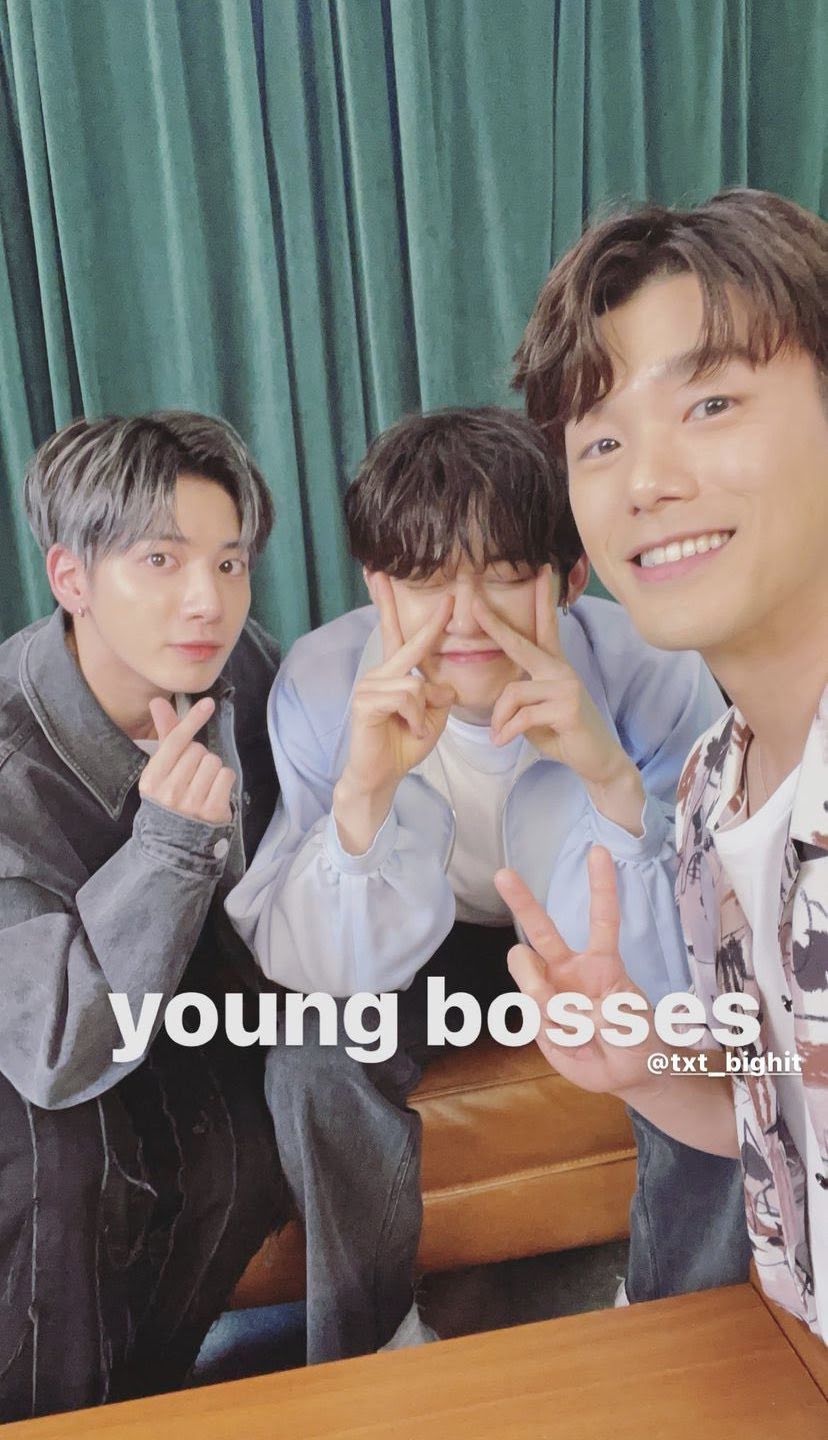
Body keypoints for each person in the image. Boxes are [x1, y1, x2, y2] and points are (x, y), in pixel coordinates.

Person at [227, 404, 750, 1364]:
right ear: (377, 584)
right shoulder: (321, 684)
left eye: (505, 574)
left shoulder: (649, 666)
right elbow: (313, 966)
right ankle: (375, 1342)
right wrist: (363, 799)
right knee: (312, 1057)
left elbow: (693, 951)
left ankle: (683, 1315)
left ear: (571, 577)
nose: (464, 618)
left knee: (708, 1030)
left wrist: (609, 779)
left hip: (588, 937)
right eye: (425, 580)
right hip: (419, 948)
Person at [504, 187, 827, 1337]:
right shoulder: (704, 791)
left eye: (711, 403)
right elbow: (767, 1123)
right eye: (601, 440)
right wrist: (640, 1063)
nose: (645, 480)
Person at [0, 411, 287, 1420]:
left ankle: (142, 1407)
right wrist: (168, 845)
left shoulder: (242, 668)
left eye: (229, 561)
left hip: (171, 1008)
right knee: (60, 1164)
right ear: (71, 578)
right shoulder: (8, 758)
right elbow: (51, 1045)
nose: (206, 600)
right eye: (159, 560)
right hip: (35, 1032)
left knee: (245, 1154)